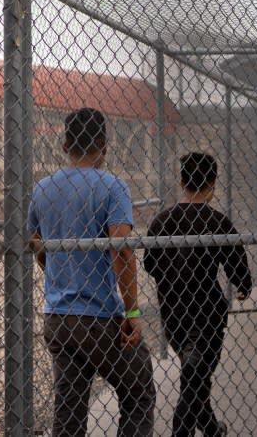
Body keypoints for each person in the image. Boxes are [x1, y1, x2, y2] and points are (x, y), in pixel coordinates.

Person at [28, 108, 155, 437]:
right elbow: (122, 249)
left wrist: (57, 269)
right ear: (104, 144)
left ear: (64, 143)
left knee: (69, 409)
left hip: (58, 316)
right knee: (139, 391)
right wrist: (132, 310)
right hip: (98, 316)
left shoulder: (42, 188)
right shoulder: (113, 186)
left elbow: (36, 244)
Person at [144, 152, 251, 437]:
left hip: (173, 313)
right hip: (207, 314)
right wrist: (244, 286)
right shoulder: (217, 221)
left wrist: (171, 277)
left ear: (181, 181)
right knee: (196, 376)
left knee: (195, 374)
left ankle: (212, 429)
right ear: (213, 183)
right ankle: (183, 432)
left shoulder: (162, 221)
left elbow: (149, 264)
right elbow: (236, 263)